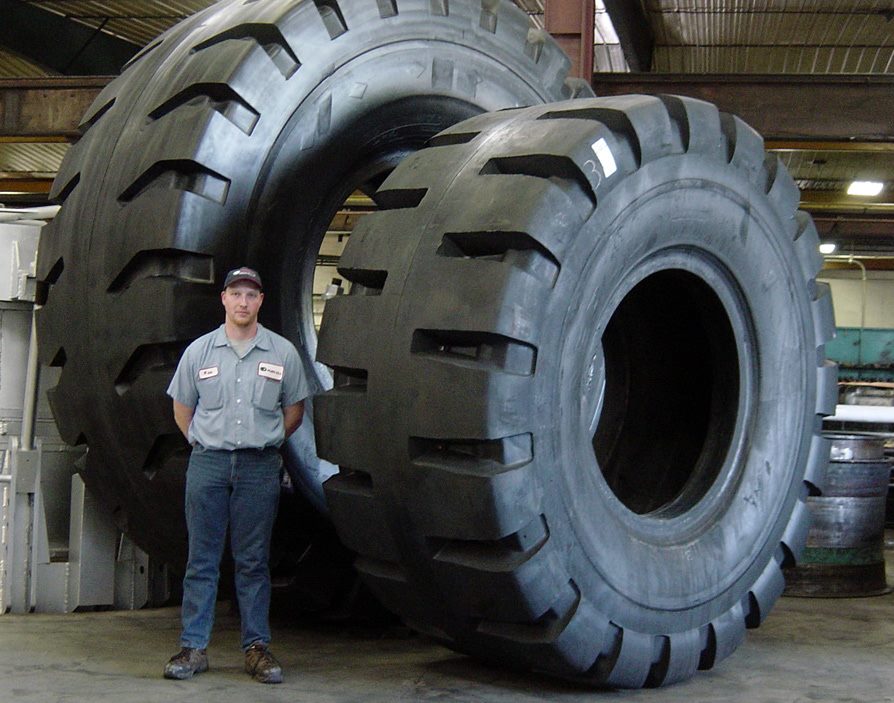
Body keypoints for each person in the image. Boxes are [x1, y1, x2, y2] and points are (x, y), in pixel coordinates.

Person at [163, 266, 308, 684]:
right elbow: (182, 407)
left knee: (253, 561)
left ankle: (256, 648)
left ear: (260, 301)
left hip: (258, 467)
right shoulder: (200, 352)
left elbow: (294, 411)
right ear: (224, 299)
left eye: (251, 295)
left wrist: (268, 441)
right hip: (207, 464)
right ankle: (193, 648)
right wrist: (201, 441)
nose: (243, 302)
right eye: (236, 294)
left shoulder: (282, 353)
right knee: (201, 560)